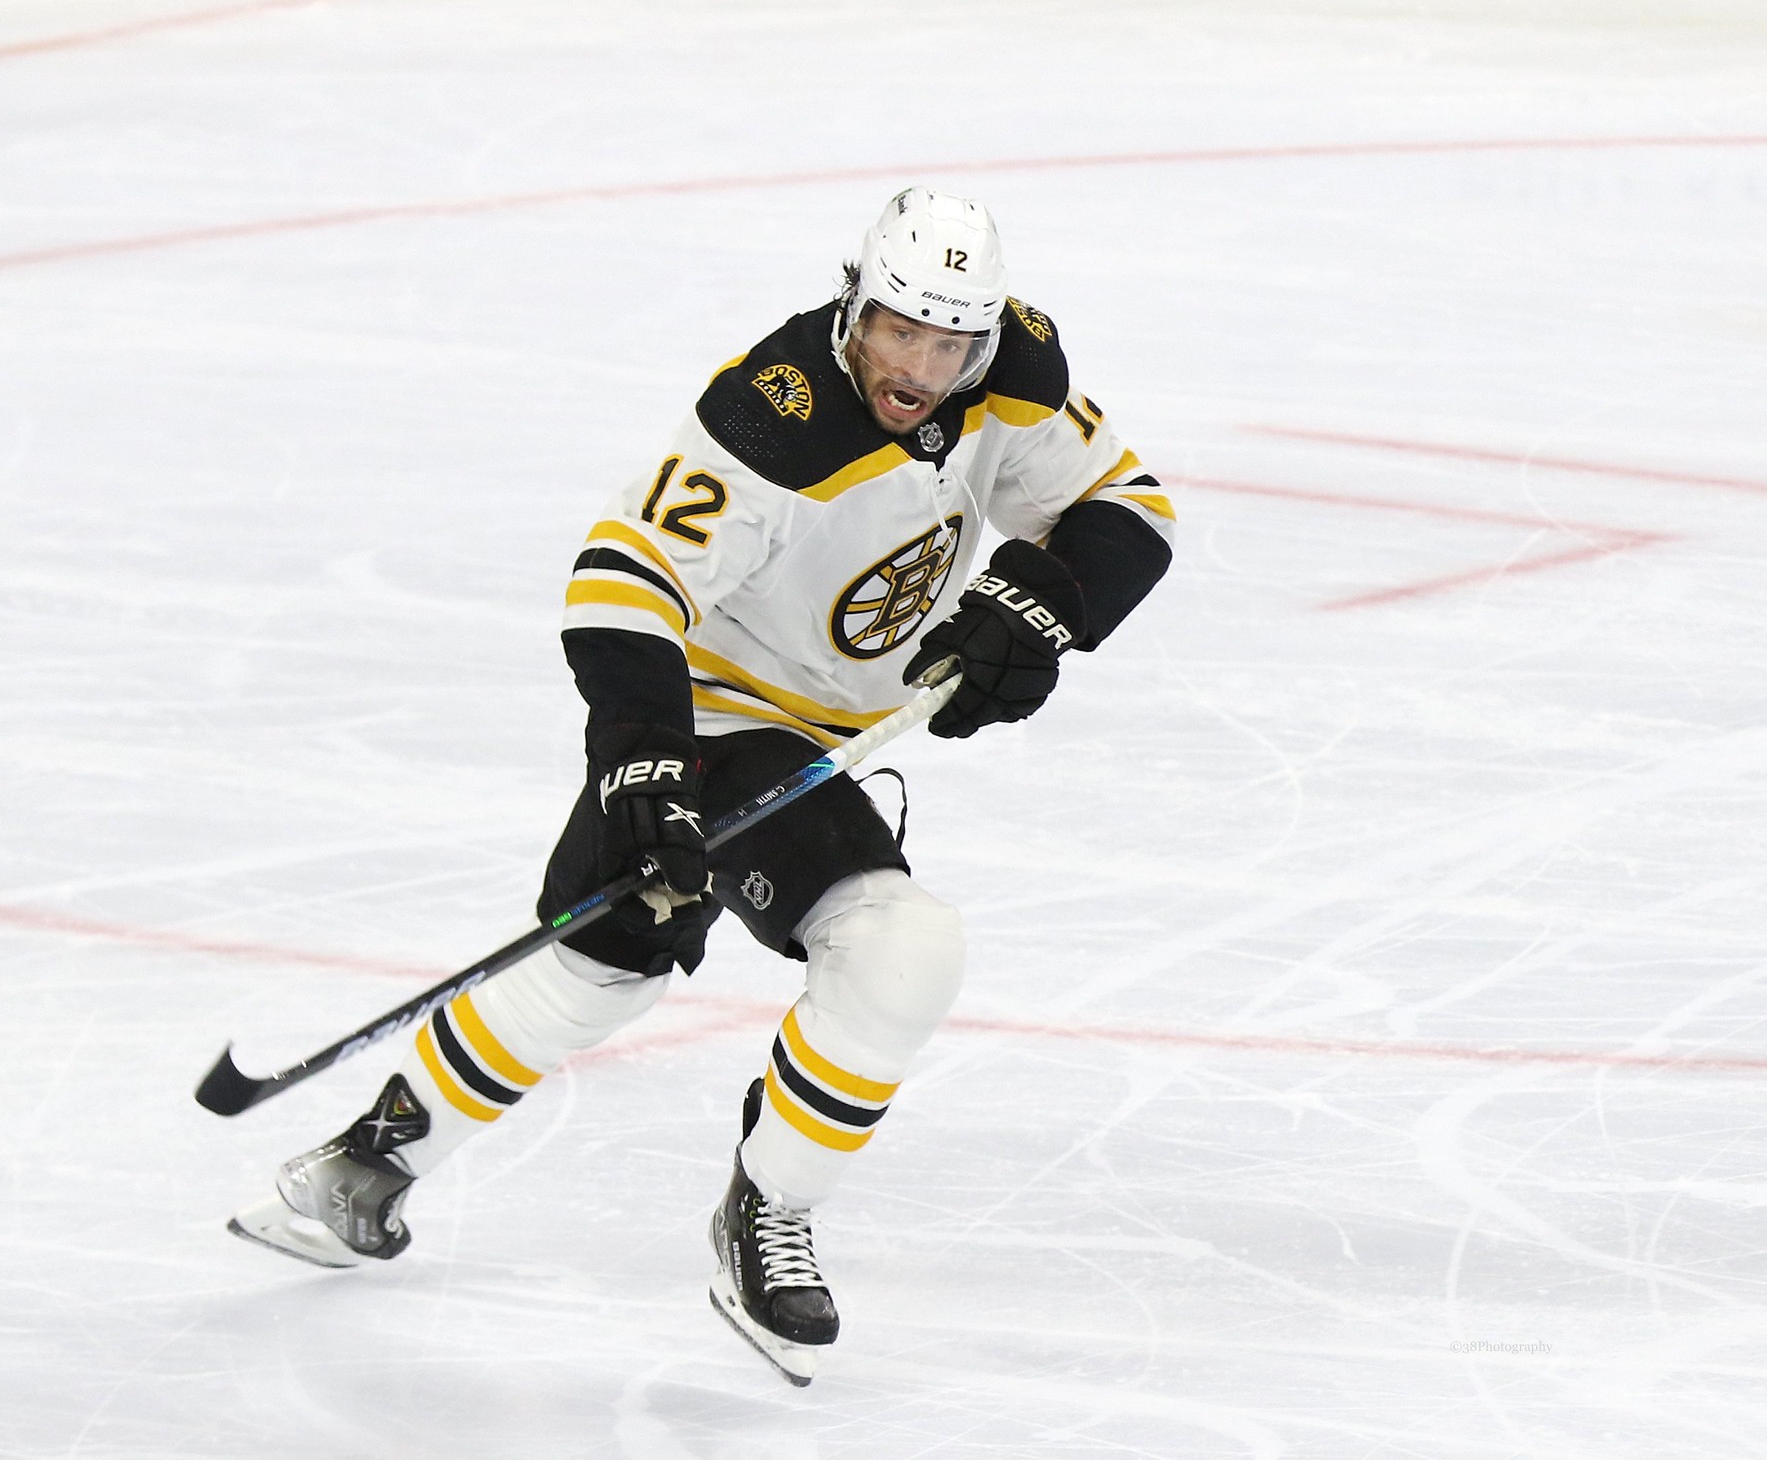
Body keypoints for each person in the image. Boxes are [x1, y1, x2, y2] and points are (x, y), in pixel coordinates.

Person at [229, 188, 1176, 1385]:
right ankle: (436, 1167)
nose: (921, 369)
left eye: (949, 345)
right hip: (713, 711)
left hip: (828, 729)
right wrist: (643, 769)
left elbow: (1128, 507)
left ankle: (370, 1165)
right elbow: (622, 578)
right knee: (885, 949)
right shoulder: (770, 421)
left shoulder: (1015, 373)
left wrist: (1038, 606)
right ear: (854, 304)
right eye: (898, 333)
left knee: (601, 963)